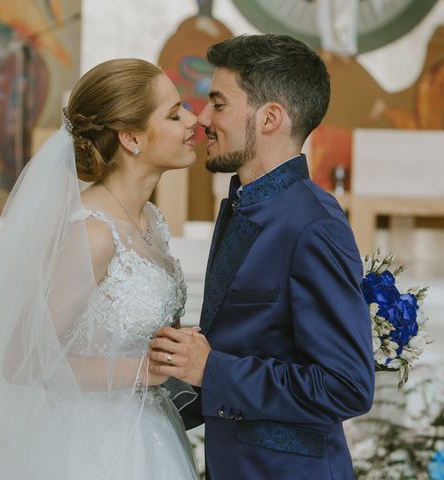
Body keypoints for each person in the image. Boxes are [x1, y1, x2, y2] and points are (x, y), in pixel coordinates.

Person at [0, 58, 200, 479]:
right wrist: (142, 371)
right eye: (174, 114)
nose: (193, 120)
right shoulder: (94, 233)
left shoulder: (150, 218)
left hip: (148, 430)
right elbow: (22, 359)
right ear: (131, 137)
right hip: (89, 446)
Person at [149, 34, 375, 479]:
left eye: (218, 103)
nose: (203, 119)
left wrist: (211, 369)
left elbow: (347, 386)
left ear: (270, 117)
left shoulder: (314, 225)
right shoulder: (242, 203)